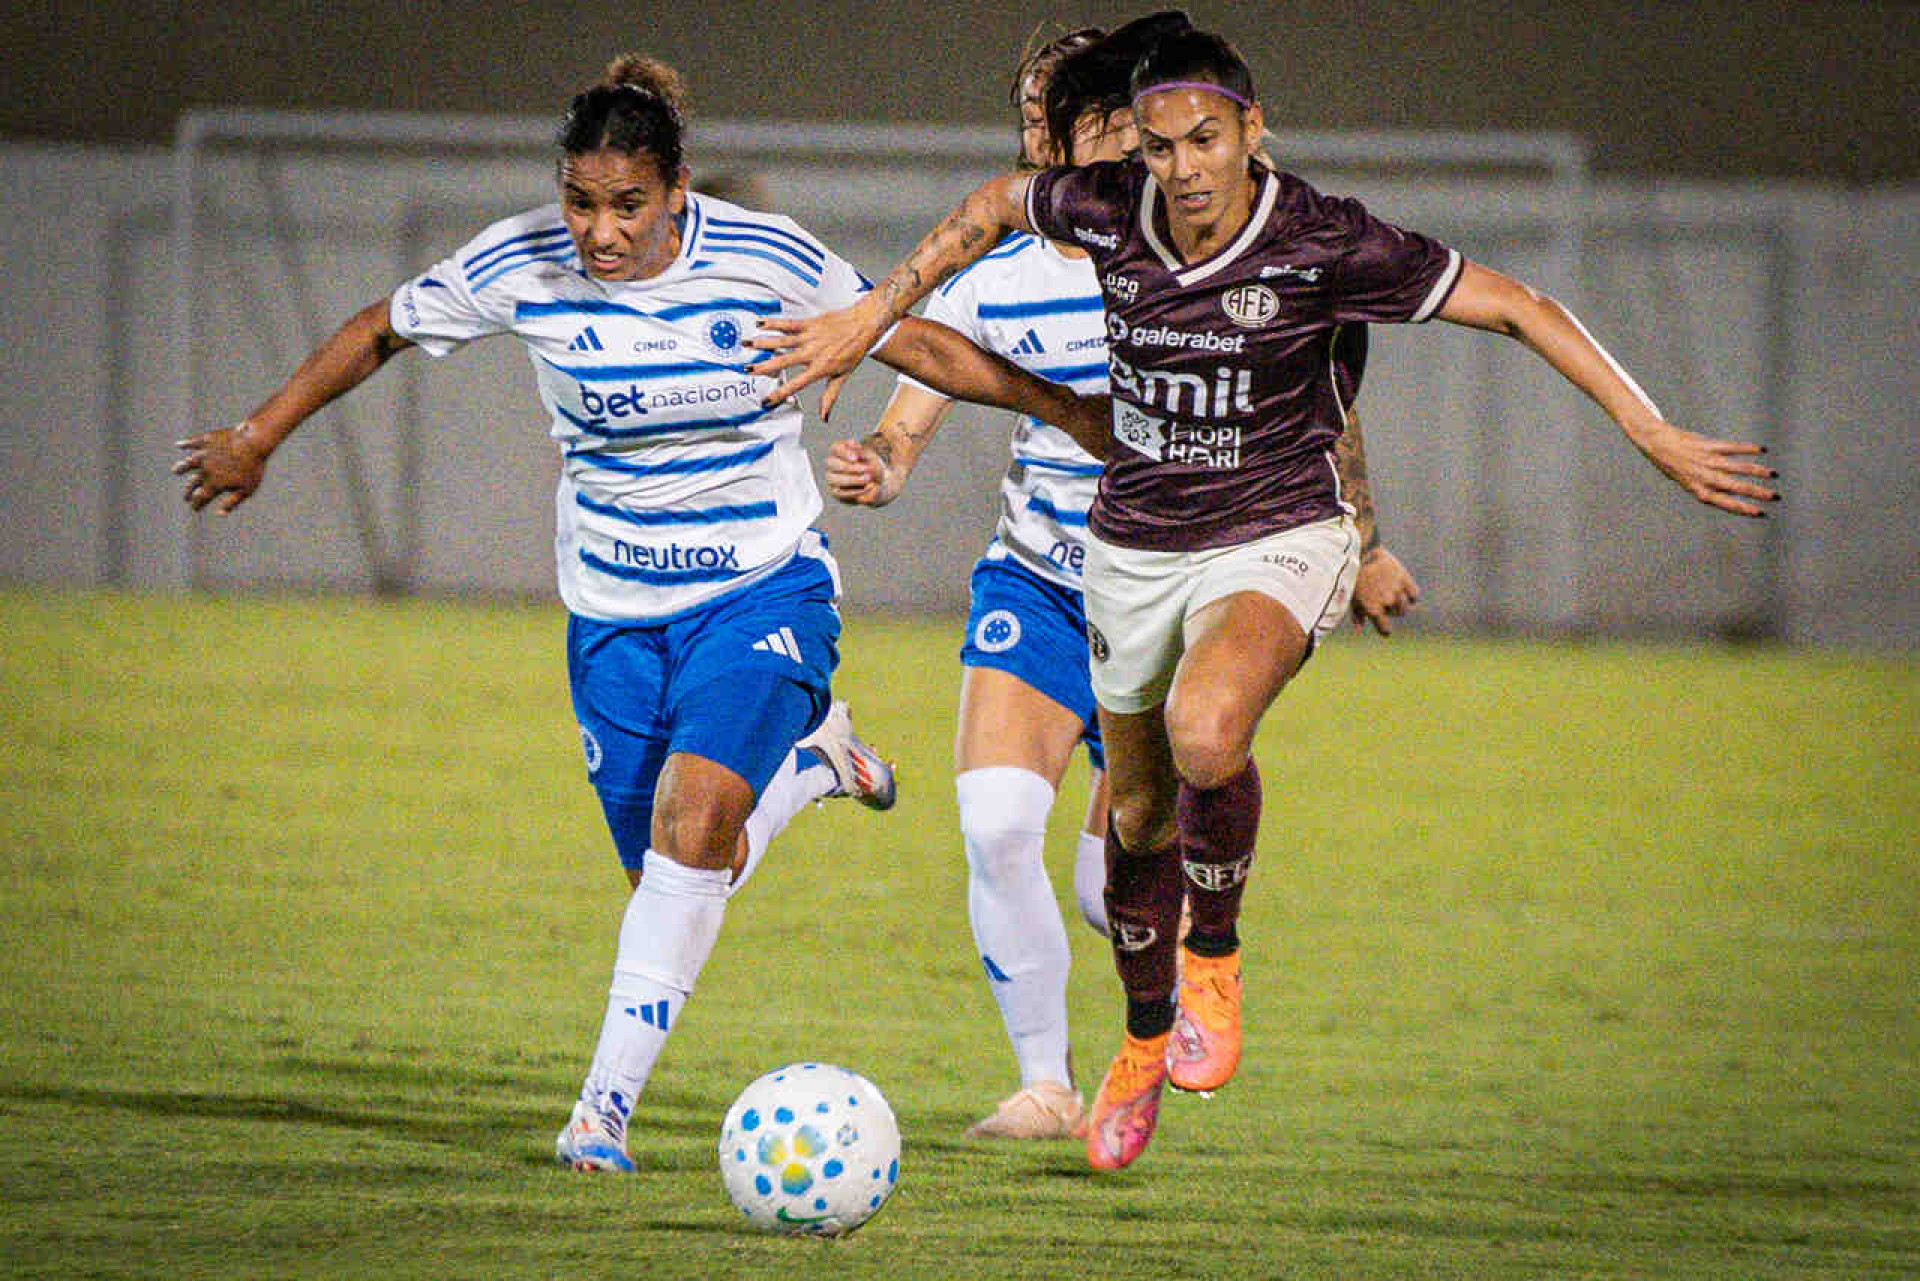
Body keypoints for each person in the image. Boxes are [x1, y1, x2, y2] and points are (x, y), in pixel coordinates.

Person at [748, 14, 1780, 1172]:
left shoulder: (1325, 241)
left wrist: (1653, 434)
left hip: (1277, 533)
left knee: (1206, 727)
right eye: (1158, 146)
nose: (1181, 168)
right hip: (1131, 545)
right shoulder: (1101, 211)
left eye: (1202, 140)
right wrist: (862, 320)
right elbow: (984, 212)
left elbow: (1520, 306)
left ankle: (1215, 966)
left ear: (1250, 130)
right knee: (1134, 823)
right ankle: (1139, 1044)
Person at [172, 53, 1105, 1173]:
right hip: (612, 614)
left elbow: (916, 340)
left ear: (677, 191)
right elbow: (382, 326)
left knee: (697, 822)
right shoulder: (520, 261)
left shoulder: (764, 257)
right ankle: (815, 769)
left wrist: (1077, 419)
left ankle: (598, 1116)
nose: (600, 232)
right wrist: (259, 435)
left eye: (626, 206)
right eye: (580, 201)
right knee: (677, 872)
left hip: (763, 587)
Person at [823, 25, 1420, 1142]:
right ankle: (1044, 1084)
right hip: (1043, 584)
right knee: (997, 825)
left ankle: (1186, 984)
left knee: (1117, 889)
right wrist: (888, 460)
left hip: (1172, 587)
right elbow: (923, 395)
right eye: (1040, 118)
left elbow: (1314, 406)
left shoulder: (1189, 252)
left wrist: (1367, 542)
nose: (1056, 135)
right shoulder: (1000, 276)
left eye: (1083, 116)